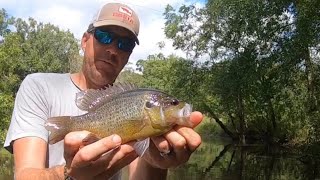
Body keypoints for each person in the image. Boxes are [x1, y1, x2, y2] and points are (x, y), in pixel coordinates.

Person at [4, 2, 203, 180]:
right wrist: (68, 175)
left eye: (125, 44)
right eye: (105, 36)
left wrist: (158, 162)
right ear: (84, 40)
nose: (113, 50)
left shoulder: (139, 106)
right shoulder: (39, 86)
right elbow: (24, 175)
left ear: (128, 55)